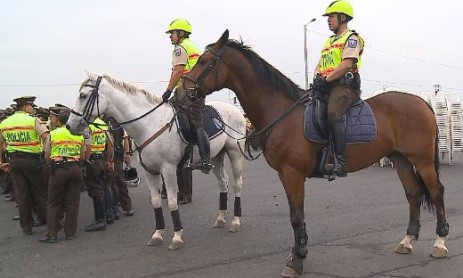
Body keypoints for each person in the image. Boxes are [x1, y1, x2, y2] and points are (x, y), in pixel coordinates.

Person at [312, 0, 364, 177]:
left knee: (333, 113)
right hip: (327, 85)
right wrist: (317, 77)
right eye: (328, 17)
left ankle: (340, 162)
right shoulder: (328, 41)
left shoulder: (351, 38)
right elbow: (320, 64)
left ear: (342, 17)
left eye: (331, 17)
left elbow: (346, 65)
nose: (328, 20)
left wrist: (326, 79)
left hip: (345, 87)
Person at [161, 18, 213, 174]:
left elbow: (177, 71)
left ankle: (205, 160)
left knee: (197, 123)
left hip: (187, 91)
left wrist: (168, 90)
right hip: (193, 89)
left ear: (181, 33)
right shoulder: (192, 46)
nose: (170, 36)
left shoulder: (180, 48)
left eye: (172, 33)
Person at [0, 96, 49, 235]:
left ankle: (26, 226)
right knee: (41, 192)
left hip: (14, 161)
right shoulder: (32, 120)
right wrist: (45, 153)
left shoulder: (5, 123)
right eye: (31, 106)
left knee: (21, 194)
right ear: (26, 106)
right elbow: (46, 137)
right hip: (32, 160)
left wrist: (0, 162)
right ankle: (50, 221)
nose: (33, 108)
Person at [38, 108, 85, 243]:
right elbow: (82, 156)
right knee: (73, 201)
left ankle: (51, 234)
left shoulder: (54, 134)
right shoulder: (79, 134)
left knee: (53, 202)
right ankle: (70, 232)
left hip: (58, 170)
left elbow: (47, 155)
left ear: (58, 120)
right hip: (75, 168)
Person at [83, 117, 114, 232]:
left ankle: (100, 220)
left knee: (95, 190)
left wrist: (85, 160)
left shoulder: (88, 125)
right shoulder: (103, 124)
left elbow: (88, 146)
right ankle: (109, 214)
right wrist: (108, 160)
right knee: (105, 187)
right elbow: (110, 144)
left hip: (92, 160)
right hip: (101, 158)